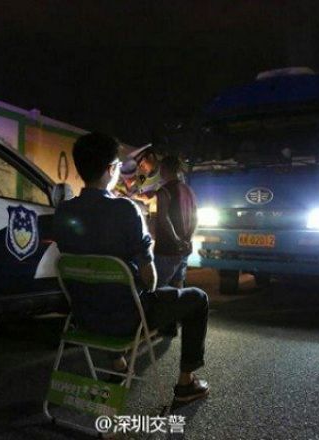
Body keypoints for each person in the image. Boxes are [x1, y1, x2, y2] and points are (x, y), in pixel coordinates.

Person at [53, 133, 210, 403]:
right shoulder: (125, 210)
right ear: (110, 169)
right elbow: (150, 280)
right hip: (127, 319)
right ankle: (186, 383)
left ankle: (119, 365)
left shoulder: (64, 212)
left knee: (105, 292)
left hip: (83, 316)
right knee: (197, 298)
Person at [154, 155, 197, 288]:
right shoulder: (189, 190)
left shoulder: (164, 191)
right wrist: (188, 240)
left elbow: (163, 218)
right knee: (178, 285)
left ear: (163, 169)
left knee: (160, 286)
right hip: (184, 248)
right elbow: (195, 218)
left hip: (167, 248)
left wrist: (176, 240)